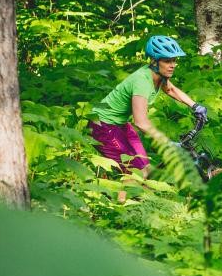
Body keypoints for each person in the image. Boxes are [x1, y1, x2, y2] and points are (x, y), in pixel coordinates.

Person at [88, 35, 208, 178]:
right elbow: (141, 122)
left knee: (145, 168)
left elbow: (171, 89)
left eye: (174, 60)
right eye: (167, 60)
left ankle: (137, 197)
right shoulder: (142, 82)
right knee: (134, 172)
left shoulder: (158, 76)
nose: (173, 65)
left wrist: (195, 106)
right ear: (154, 61)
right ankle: (123, 200)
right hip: (102, 125)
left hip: (120, 124)